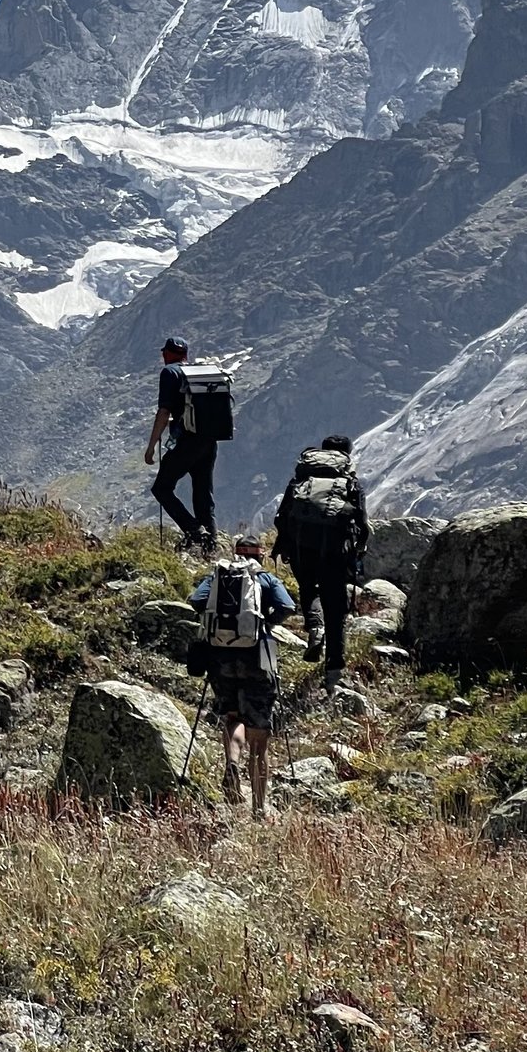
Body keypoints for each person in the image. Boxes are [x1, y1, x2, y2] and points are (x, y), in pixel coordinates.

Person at [189, 537, 298, 819]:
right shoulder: (266, 579)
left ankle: (232, 763)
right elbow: (288, 607)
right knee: (259, 740)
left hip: (220, 658)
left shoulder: (218, 575)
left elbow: (197, 601)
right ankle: (259, 809)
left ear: (235, 554)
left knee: (232, 716)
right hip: (257, 658)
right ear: (260, 556)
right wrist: (265, 622)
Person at [274, 433, 370, 680]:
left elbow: (282, 514)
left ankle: (315, 627)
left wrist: (284, 544)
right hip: (336, 547)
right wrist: (359, 548)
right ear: (346, 454)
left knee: (309, 588)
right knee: (336, 605)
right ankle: (334, 666)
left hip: (301, 544)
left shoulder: (303, 476)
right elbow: (361, 520)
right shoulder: (348, 480)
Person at [144, 336, 215, 551]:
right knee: (203, 493)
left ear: (168, 353)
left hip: (186, 442)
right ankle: (210, 547)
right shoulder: (197, 372)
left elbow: (164, 412)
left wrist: (151, 446)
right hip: (209, 441)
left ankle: (194, 531)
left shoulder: (170, 373)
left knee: (162, 488)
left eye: (164, 352)